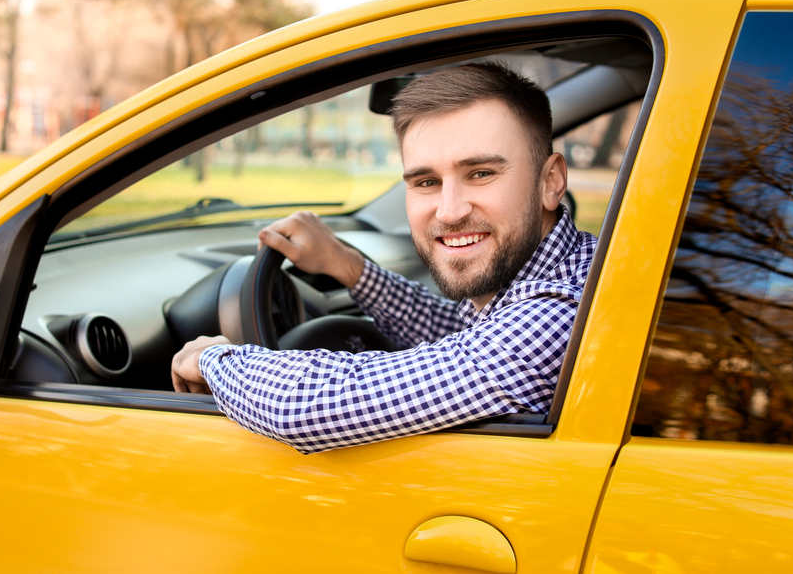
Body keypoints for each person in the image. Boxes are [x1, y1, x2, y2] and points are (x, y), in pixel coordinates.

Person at [171, 62, 597, 454]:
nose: (449, 211)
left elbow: (310, 407)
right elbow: (455, 338)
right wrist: (349, 268)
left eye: (481, 173)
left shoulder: (559, 313)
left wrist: (214, 359)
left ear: (551, 181)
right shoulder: (557, 275)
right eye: (426, 181)